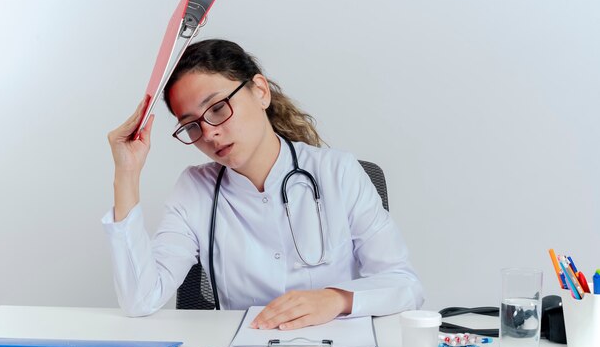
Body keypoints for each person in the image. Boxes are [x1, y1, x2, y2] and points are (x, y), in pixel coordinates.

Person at [103, 39, 424, 330]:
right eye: (191, 125)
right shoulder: (195, 189)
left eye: (217, 108)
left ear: (260, 91)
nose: (210, 132)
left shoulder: (338, 171)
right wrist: (126, 173)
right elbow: (140, 299)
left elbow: (405, 285)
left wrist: (336, 299)